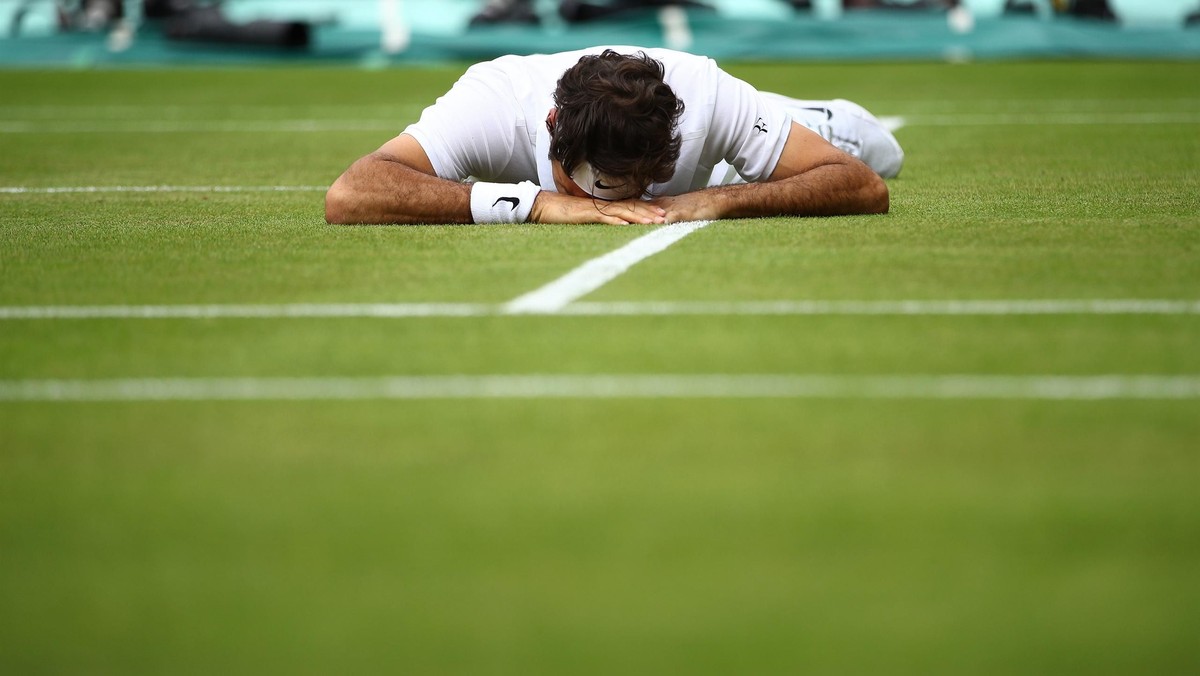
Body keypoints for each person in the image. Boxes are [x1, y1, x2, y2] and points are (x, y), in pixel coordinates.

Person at [325, 46, 903, 226]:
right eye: (599, 185)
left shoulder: (703, 94)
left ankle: (800, 116)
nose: (623, 205)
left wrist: (715, 200)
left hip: (743, 135)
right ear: (554, 132)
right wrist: (534, 205)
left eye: (640, 184)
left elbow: (864, 185)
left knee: (883, 150)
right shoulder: (491, 101)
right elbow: (351, 193)